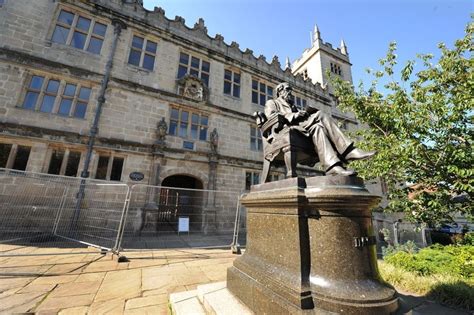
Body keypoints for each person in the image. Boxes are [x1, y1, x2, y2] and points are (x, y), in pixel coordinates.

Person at [264, 82, 375, 176]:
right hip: (283, 132)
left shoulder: (292, 105)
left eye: (290, 90)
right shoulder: (272, 103)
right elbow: (271, 116)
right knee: (321, 115)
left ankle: (332, 166)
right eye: (287, 89)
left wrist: (302, 114)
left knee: (318, 128)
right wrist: (295, 115)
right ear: (280, 91)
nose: (290, 92)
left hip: (300, 129)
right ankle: (348, 151)